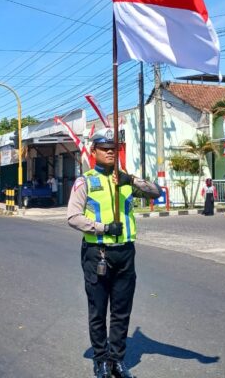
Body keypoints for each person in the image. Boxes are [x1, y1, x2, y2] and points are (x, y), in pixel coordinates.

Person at [67, 128, 159, 378]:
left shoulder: (126, 180)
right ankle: (101, 360)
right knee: (98, 310)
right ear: (94, 151)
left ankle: (117, 359)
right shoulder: (85, 181)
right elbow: (73, 217)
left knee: (121, 310)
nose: (109, 152)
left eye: (113, 148)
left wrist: (132, 180)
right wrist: (104, 227)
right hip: (98, 252)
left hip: (126, 253)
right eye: (104, 148)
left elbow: (156, 192)